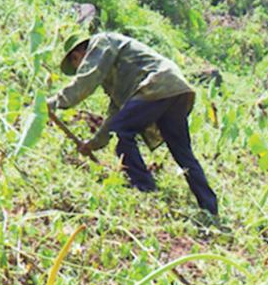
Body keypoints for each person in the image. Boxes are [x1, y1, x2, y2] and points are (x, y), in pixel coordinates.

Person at [47, 32, 218, 215]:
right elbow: (117, 112)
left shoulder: (102, 42)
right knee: (182, 152)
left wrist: (54, 102)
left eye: (76, 61)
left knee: (122, 132)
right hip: (175, 87)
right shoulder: (112, 72)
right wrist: (94, 143)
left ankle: (144, 187)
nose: (79, 66)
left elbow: (86, 80)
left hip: (157, 83)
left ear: (80, 52)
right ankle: (209, 206)